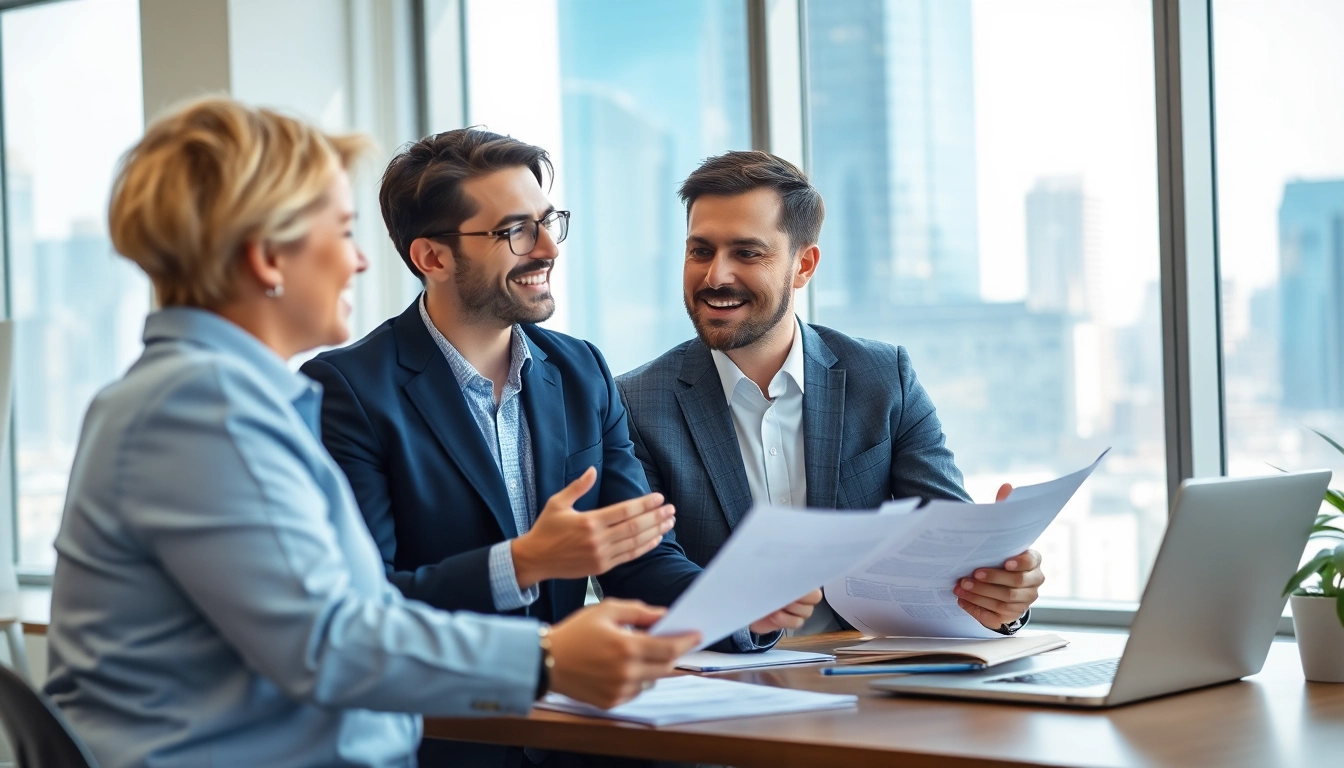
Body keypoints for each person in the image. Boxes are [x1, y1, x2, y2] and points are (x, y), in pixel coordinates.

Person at [44, 97, 703, 768]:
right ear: (269, 258)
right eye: (342, 231)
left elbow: (351, 616)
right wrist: (547, 655)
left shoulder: (227, 399)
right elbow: (329, 641)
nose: (360, 261)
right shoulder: (202, 408)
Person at [300, 129, 819, 766]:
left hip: (580, 739)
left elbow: (639, 558)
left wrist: (738, 609)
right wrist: (519, 562)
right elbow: (366, 605)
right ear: (432, 257)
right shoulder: (346, 391)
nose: (547, 248)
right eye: (515, 230)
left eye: (548, 222)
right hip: (443, 741)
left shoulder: (579, 371)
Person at [617, 150, 1045, 635]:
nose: (716, 275)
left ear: (804, 265)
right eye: (701, 251)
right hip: (724, 680)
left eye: (747, 252)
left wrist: (999, 590)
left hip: (871, 683)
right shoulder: (634, 404)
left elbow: (949, 552)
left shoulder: (884, 379)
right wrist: (745, 620)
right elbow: (637, 576)